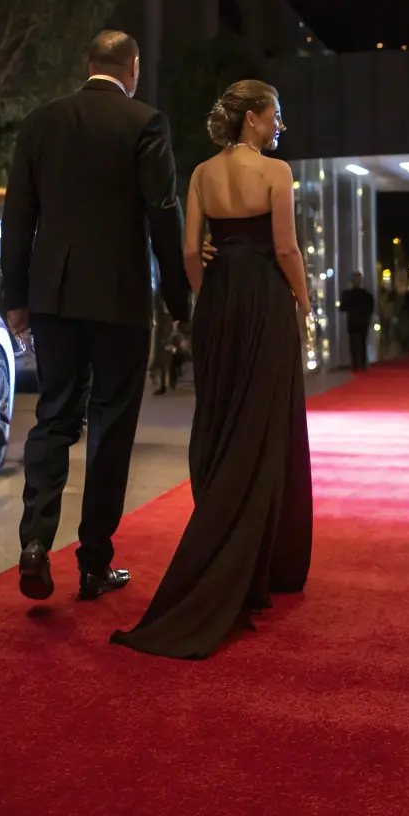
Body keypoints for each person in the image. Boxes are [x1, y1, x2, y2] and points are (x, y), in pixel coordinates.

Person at [111, 79, 313, 659]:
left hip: (219, 304)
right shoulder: (276, 172)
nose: (278, 124)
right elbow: (285, 249)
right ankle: (249, 561)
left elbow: (187, 252)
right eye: (274, 114)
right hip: (265, 302)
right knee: (262, 426)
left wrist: (210, 297)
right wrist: (303, 302)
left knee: (222, 421)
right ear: (252, 118)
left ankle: (230, 543)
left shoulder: (200, 173)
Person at [2, 30, 189, 604]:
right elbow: (162, 211)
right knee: (111, 425)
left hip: (54, 296)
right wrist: (178, 298)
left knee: (53, 416)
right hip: (119, 297)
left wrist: (16, 297)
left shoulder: (42, 121)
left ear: (90, 65)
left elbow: (19, 214)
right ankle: (93, 564)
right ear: (132, 68)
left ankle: (35, 543)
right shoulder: (145, 123)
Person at [340, 272, 375, 370]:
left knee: (354, 343)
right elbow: (371, 308)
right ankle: (362, 364)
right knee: (362, 342)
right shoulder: (366, 295)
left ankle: (356, 364)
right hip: (362, 321)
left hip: (353, 321)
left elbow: (343, 307)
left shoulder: (348, 294)